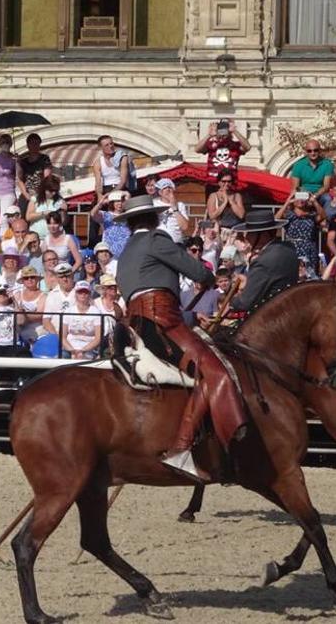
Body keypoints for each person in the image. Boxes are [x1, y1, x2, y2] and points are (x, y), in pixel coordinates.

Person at [115, 194, 241, 482]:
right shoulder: (157, 239)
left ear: (131, 222)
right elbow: (197, 270)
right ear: (155, 218)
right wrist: (208, 279)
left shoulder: (127, 251)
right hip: (162, 319)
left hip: (136, 323)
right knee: (217, 372)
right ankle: (183, 448)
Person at [229, 210, 298, 317]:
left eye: (250, 233)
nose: (246, 238)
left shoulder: (263, 261)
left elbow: (245, 302)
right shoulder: (288, 248)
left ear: (264, 234)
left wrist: (231, 300)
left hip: (270, 318)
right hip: (289, 311)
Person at [18, 133, 53, 215]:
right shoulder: (23, 161)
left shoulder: (44, 159)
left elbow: (47, 177)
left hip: (40, 193)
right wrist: (26, 194)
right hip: (26, 193)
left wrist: (40, 193)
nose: (35, 146)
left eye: (37, 143)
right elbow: (19, 179)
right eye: (32, 143)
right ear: (28, 145)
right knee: (24, 215)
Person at [93, 134, 133, 199]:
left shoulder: (122, 158)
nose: (110, 146)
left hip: (119, 188)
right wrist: (99, 195)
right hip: (106, 189)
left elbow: (123, 181)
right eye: (107, 145)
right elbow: (98, 183)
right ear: (101, 148)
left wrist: (111, 194)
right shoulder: (98, 162)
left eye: (111, 143)